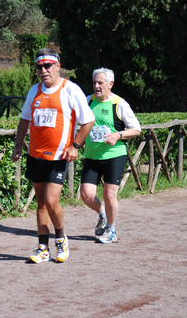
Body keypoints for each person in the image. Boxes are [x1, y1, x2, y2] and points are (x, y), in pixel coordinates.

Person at [12, 48, 95, 263]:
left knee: (51, 200)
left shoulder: (71, 89)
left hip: (59, 156)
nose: (43, 70)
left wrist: (75, 145)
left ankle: (60, 239)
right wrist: (19, 144)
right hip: (35, 154)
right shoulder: (34, 91)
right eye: (39, 67)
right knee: (40, 203)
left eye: (47, 66)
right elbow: (24, 119)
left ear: (57, 66)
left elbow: (88, 120)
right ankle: (42, 248)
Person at [80, 68, 141, 244]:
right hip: (92, 155)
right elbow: (80, 124)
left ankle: (112, 230)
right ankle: (103, 214)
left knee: (109, 194)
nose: (96, 86)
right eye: (94, 83)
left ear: (110, 84)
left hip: (114, 155)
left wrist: (118, 135)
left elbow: (136, 129)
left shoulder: (119, 104)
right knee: (86, 194)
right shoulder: (88, 101)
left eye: (100, 83)